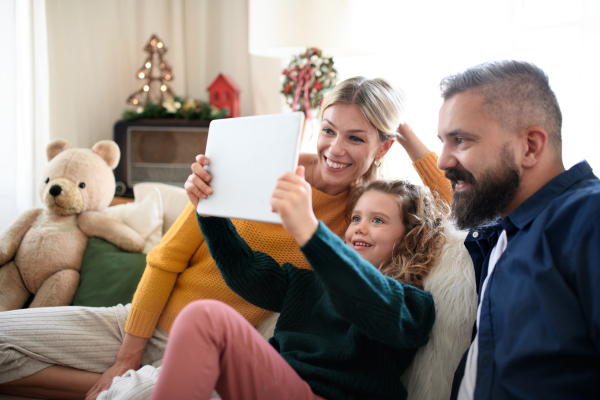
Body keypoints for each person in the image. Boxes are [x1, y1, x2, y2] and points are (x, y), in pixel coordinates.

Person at [0, 77, 451, 400]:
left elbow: (445, 206)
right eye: (329, 130)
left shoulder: (361, 215)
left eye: (357, 138)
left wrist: (407, 133)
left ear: (382, 147)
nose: (336, 149)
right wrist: (126, 355)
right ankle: (115, 382)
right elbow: (166, 259)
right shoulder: (263, 165)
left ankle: (125, 387)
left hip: (219, 346)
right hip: (145, 320)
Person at [149, 168, 447, 400]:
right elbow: (245, 270)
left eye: (378, 220)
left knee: (205, 318)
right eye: (356, 217)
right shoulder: (307, 283)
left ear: (410, 238)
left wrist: (309, 229)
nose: (360, 227)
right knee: (202, 317)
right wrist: (210, 211)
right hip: (279, 385)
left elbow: (367, 297)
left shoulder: (412, 304)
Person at [435, 60, 600, 399]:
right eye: (443, 141)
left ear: (530, 147)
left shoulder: (589, 217)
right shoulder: (501, 232)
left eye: (461, 140)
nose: (443, 160)